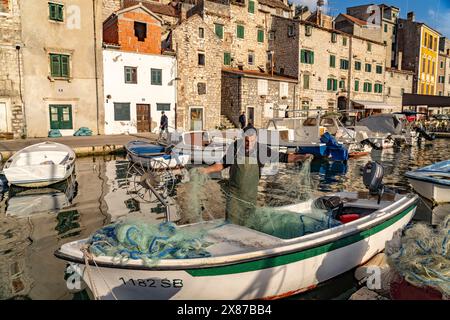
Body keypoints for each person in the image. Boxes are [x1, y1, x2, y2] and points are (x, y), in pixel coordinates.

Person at [199, 125, 312, 226]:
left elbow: (284, 157)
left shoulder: (262, 150)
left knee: (248, 224)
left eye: (252, 141)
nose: (249, 144)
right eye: (246, 141)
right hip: (233, 196)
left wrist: (301, 157)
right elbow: (222, 164)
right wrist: (205, 170)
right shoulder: (235, 147)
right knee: (231, 225)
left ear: (256, 139)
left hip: (250, 197)